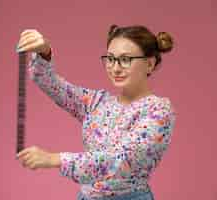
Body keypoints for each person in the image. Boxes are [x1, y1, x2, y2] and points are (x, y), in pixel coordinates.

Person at [16, 24, 177, 200]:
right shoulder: (97, 103)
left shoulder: (158, 111)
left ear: (149, 63)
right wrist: (44, 51)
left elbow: (120, 161)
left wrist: (55, 159)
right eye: (110, 58)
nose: (115, 68)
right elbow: (50, 83)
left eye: (125, 59)